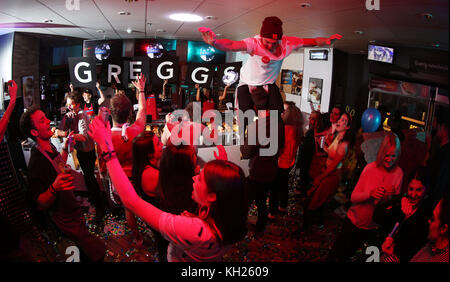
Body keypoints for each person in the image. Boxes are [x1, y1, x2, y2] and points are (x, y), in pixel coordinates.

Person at [88, 116, 248, 262]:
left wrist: (107, 149)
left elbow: (131, 201)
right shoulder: (229, 218)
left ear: (213, 196)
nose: (194, 177)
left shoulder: (192, 230)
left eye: (200, 178)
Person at [199, 16, 337, 133]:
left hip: (268, 84)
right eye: (267, 42)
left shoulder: (288, 43)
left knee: (276, 114)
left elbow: (311, 42)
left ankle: (270, 139)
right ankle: (243, 139)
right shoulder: (254, 43)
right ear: (261, 38)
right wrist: (215, 43)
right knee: (244, 116)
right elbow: (232, 45)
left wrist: (326, 41)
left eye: (274, 43)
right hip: (247, 83)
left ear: (280, 40)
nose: (270, 46)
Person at [19, 106, 106, 262]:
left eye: (45, 117)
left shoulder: (50, 147)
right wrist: (55, 187)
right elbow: (40, 203)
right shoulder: (37, 162)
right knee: (94, 254)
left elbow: (57, 167)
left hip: (74, 215)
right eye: (42, 120)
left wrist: (66, 149)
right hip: (65, 225)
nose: (48, 122)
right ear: (34, 132)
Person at [327, 132, 403, 262]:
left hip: (374, 228)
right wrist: (370, 194)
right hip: (355, 223)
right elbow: (353, 198)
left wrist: (390, 197)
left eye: (393, 156)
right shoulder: (370, 169)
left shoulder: (398, 173)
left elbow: (393, 207)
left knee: (368, 260)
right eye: (387, 155)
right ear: (381, 152)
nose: (390, 159)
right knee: (338, 257)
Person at [106, 74, 147, 246]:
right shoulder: (135, 130)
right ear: (130, 112)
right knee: (142, 206)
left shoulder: (106, 138)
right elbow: (143, 112)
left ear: (110, 112)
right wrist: (141, 90)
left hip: (120, 183)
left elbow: (104, 168)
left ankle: (137, 237)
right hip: (138, 179)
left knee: (129, 209)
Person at [56, 91, 106, 225]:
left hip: (87, 152)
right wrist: (67, 120)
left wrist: (70, 135)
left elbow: (84, 137)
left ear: (77, 105)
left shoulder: (82, 116)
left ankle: (100, 207)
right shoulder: (72, 115)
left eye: (71, 105)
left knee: (90, 179)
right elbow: (60, 129)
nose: (69, 107)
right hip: (81, 152)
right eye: (67, 105)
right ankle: (95, 201)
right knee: (88, 178)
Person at [302, 112, 352, 231]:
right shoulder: (337, 138)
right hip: (327, 172)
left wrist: (319, 178)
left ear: (348, 127)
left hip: (331, 175)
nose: (340, 122)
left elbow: (333, 166)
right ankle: (313, 224)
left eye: (344, 121)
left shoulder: (344, 144)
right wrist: (323, 146)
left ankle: (306, 229)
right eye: (340, 119)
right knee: (315, 201)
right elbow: (330, 154)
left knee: (313, 201)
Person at [375, 166, 434, 262]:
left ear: (426, 190)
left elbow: (413, 251)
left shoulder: (425, 215)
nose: (413, 194)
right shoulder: (400, 201)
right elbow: (377, 216)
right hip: (377, 252)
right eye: (411, 189)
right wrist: (399, 200)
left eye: (419, 190)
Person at [241, 109, 285, 233]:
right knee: (261, 201)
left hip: (257, 171)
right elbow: (282, 148)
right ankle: (260, 228)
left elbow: (246, 152)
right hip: (271, 170)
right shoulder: (280, 126)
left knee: (248, 200)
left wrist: (243, 143)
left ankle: (240, 226)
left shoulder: (257, 126)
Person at [156, 143, 199, 261]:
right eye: (193, 157)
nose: (196, 157)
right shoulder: (192, 192)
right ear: (184, 167)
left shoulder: (165, 184)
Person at [268, 101, 303, 218]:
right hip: (290, 162)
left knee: (274, 189)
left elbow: (277, 147)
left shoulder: (285, 129)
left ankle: (272, 213)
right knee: (283, 186)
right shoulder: (298, 130)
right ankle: (282, 206)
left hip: (280, 162)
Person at [410, 195, 448, 262]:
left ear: (443, 228)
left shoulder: (443, 259)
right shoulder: (431, 246)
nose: (429, 221)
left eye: (432, 219)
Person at [296, 110, 323, 195]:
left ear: (319, 121)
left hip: (311, 164)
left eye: (314, 119)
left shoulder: (318, 132)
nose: (311, 121)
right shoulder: (310, 131)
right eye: (310, 118)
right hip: (304, 162)